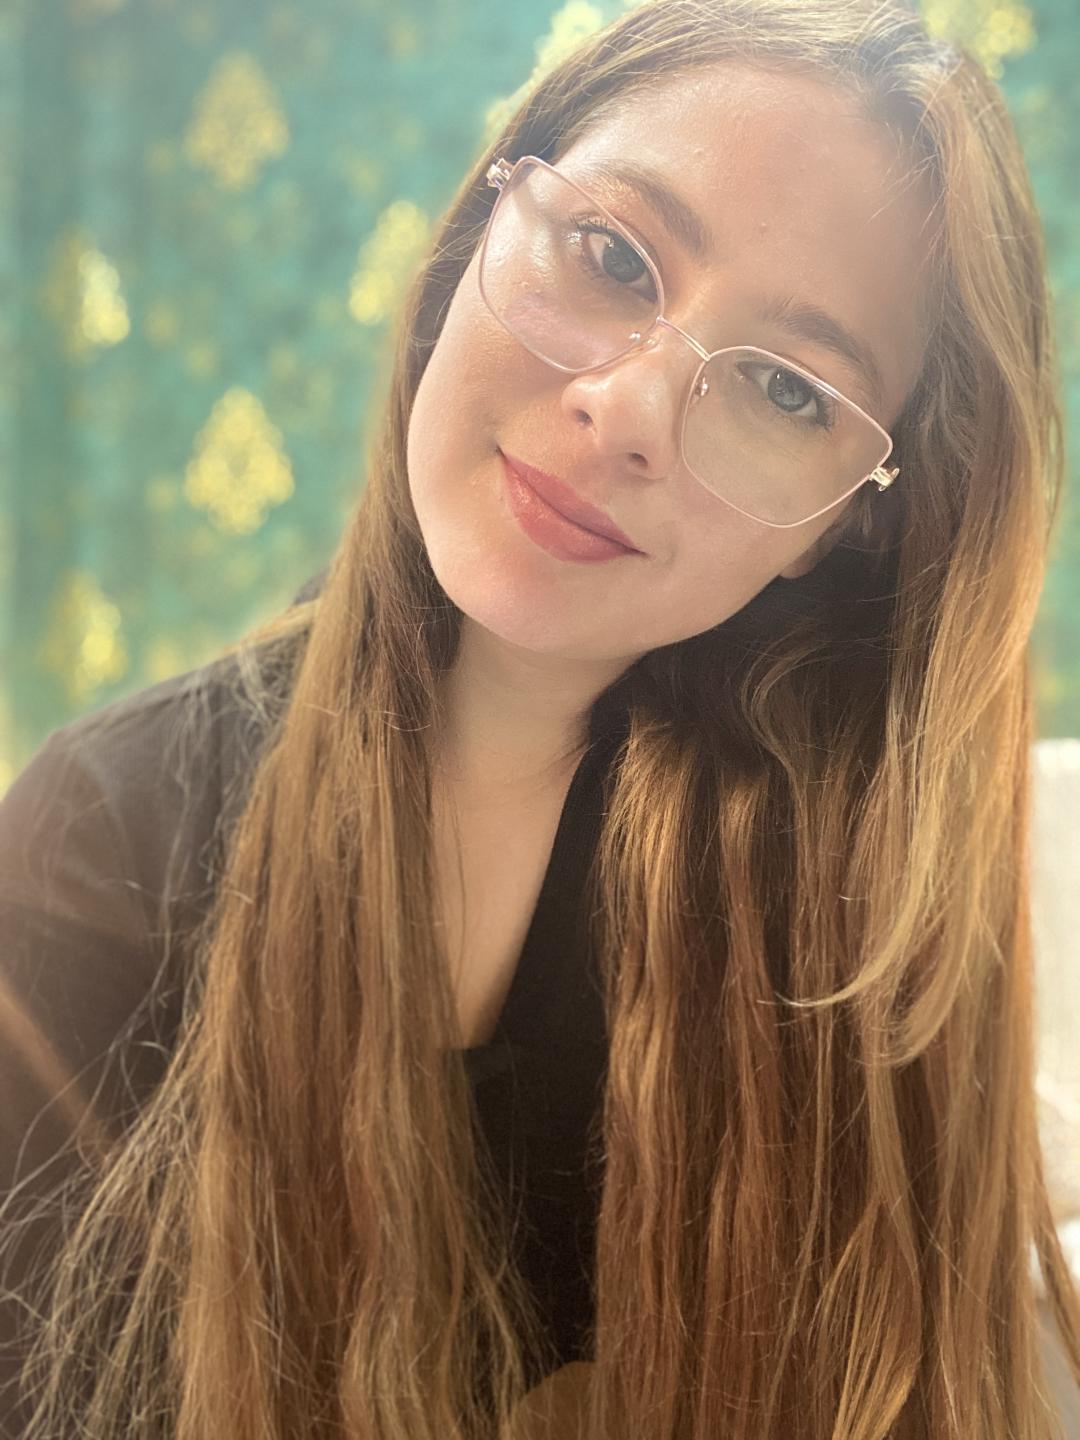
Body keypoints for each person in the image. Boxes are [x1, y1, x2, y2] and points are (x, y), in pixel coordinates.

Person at [2, 0, 1078, 1435]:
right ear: (479, 234)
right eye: (613, 255)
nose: (629, 412)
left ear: (843, 527)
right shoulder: (98, 838)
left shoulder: (852, 911)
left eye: (783, 388)